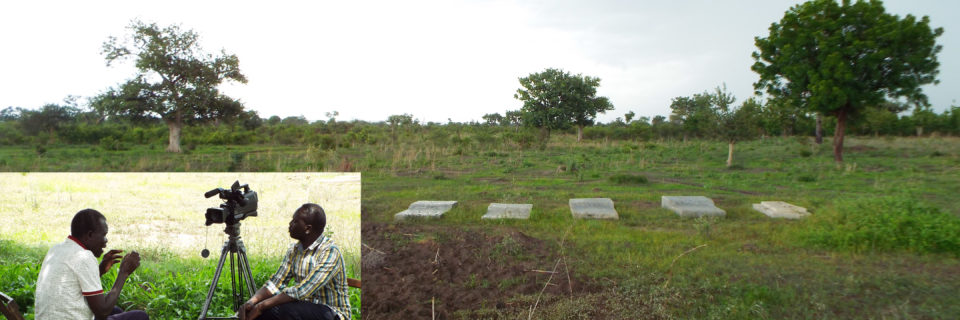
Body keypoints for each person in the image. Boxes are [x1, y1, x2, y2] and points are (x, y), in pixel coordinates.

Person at [240, 203, 351, 320]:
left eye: (295, 221)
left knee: (284, 310)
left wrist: (261, 306)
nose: (290, 224)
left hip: (332, 313)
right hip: (305, 309)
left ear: (307, 228)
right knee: (262, 313)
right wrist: (253, 302)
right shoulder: (294, 250)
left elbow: (303, 290)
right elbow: (275, 283)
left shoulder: (330, 252)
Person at [34, 209, 148, 320]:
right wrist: (124, 273)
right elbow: (103, 312)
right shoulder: (84, 257)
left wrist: (101, 269)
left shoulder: (55, 250)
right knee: (140, 316)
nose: (106, 240)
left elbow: (73, 283)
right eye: (103, 235)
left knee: (116, 310)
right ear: (89, 235)